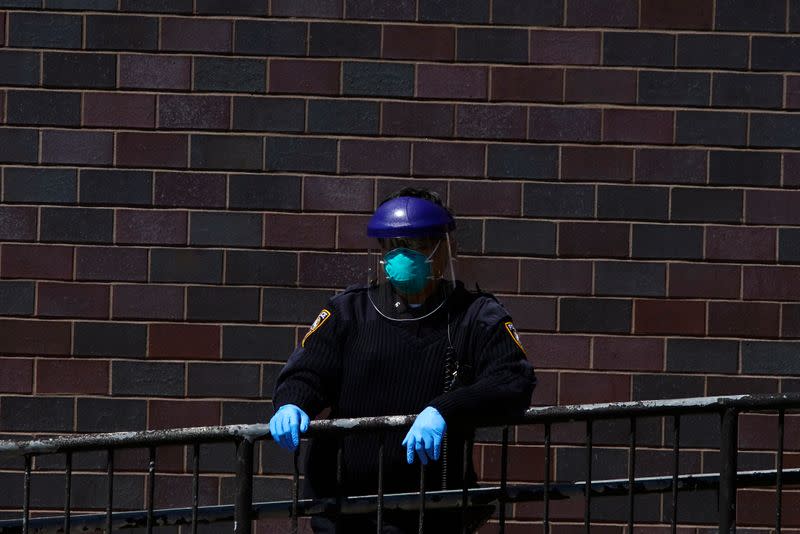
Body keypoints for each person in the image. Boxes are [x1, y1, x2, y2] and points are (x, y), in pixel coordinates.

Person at [269, 187, 536, 533]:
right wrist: (292, 403)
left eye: (415, 245)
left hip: (431, 509)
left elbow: (513, 380)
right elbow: (307, 372)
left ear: (444, 249)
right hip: (345, 510)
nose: (401, 256)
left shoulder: (475, 316)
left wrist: (446, 409)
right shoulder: (348, 312)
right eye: (392, 246)